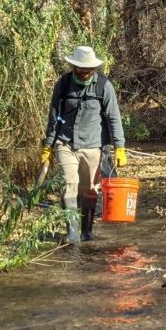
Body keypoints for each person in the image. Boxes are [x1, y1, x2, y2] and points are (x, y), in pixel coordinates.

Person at [39, 46, 127, 244]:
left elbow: (113, 117)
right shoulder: (63, 84)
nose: (86, 73)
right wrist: (48, 146)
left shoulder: (104, 86)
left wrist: (119, 146)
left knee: (89, 190)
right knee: (69, 184)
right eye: (82, 69)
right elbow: (54, 116)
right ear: (74, 67)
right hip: (65, 143)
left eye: (90, 70)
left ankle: (87, 230)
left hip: (93, 145)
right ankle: (72, 231)